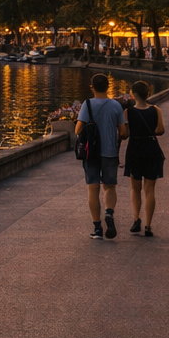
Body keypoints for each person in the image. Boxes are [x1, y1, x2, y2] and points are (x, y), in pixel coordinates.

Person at [75, 72, 127, 240]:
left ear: (92, 87)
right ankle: (109, 213)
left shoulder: (87, 104)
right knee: (110, 187)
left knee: (93, 188)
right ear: (108, 87)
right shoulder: (116, 106)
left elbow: (78, 130)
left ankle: (97, 228)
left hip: (91, 153)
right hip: (110, 152)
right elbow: (123, 132)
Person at [123, 80, 165, 236]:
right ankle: (148, 225)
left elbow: (125, 134)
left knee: (135, 188)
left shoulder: (128, 112)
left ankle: (136, 218)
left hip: (135, 148)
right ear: (147, 94)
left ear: (133, 94)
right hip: (151, 148)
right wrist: (149, 132)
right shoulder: (156, 110)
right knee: (149, 189)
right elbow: (161, 130)